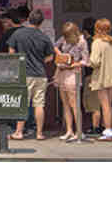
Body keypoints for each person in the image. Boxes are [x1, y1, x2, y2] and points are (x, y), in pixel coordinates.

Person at [7, 9, 54, 141]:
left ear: (28, 19)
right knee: (39, 104)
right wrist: (40, 61)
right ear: (41, 22)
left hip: (24, 73)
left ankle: (18, 132)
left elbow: (11, 52)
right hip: (40, 74)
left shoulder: (18, 33)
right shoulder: (44, 36)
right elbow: (50, 56)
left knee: (23, 103)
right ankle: (39, 133)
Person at [53, 22, 89, 142]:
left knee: (74, 104)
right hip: (62, 72)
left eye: (68, 35)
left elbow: (86, 60)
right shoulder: (63, 38)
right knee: (65, 104)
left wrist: (74, 64)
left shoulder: (82, 42)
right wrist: (61, 55)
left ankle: (79, 131)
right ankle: (69, 130)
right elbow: (54, 46)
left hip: (73, 73)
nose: (66, 37)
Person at [89, 18, 112, 141]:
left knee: (105, 105)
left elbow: (94, 61)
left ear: (97, 29)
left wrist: (88, 63)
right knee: (109, 104)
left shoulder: (97, 42)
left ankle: (107, 131)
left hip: (101, 77)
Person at [81, 17, 102, 134]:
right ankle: (103, 125)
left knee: (94, 103)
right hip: (102, 76)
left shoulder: (88, 43)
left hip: (91, 76)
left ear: (85, 30)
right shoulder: (101, 42)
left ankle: (96, 127)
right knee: (102, 102)